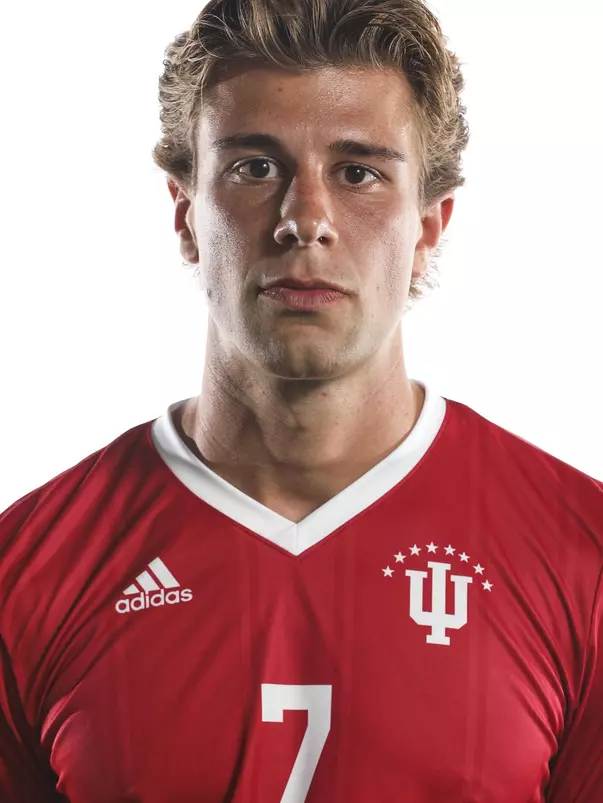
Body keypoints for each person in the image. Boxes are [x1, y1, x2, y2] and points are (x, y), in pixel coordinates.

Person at [1, 0, 602, 800]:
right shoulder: (28, 573)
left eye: (358, 172)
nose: (303, 219)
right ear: (185, 213)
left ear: (427, 225)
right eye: (255, 167)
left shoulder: (581, 560)